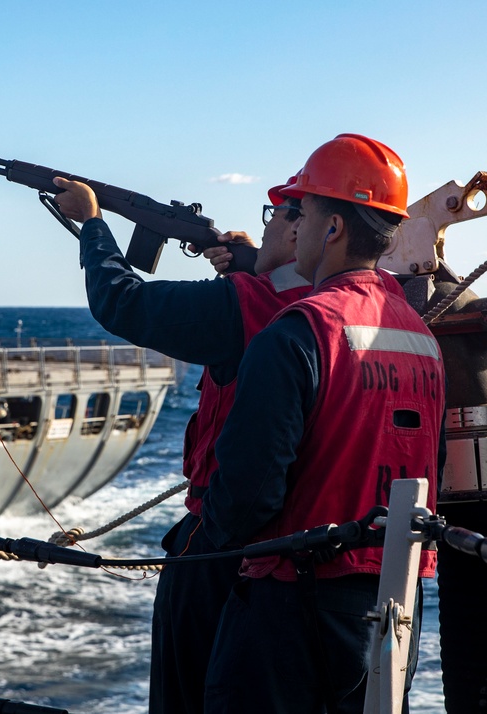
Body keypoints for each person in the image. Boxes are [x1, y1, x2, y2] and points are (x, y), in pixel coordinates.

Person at [200, 134, 446, 713]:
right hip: (389, 616)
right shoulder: (423, 340)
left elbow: (245, 499)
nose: (294, 227)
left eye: (302, 212)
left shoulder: (296, 332)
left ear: (332, 228)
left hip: (290, 614)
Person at [52, 173, 312, 714]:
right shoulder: (336, 305)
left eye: (275, 220)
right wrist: (247, 259)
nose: (262, 233)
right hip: (299, 548)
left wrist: (93, 223)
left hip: (220, 538)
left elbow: (122, 302)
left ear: (302, 232)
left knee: (183, 690)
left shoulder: (245, 303)